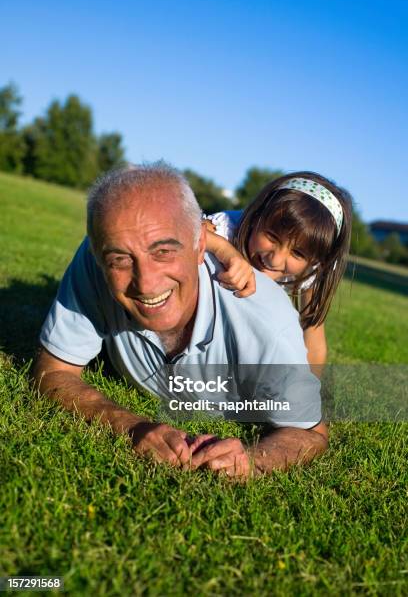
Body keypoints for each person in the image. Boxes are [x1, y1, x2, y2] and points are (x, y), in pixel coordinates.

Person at [33, 162, 328, 479]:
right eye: (120, 259)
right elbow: (53, 372)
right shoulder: (96, 256)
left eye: (163, 251)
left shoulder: (269, 324)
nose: (145, 284)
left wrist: (253, 461)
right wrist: (131, 426)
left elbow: (312, 432)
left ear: (201, 243)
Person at [204, 172, 352, 375]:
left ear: (315, 260)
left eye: (297, 253)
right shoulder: (227, 228)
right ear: (255, 217)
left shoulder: (310, 271)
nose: (275, 259)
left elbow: (313, 335)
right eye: (272, 237)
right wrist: (225, 251)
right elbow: (182, 233)